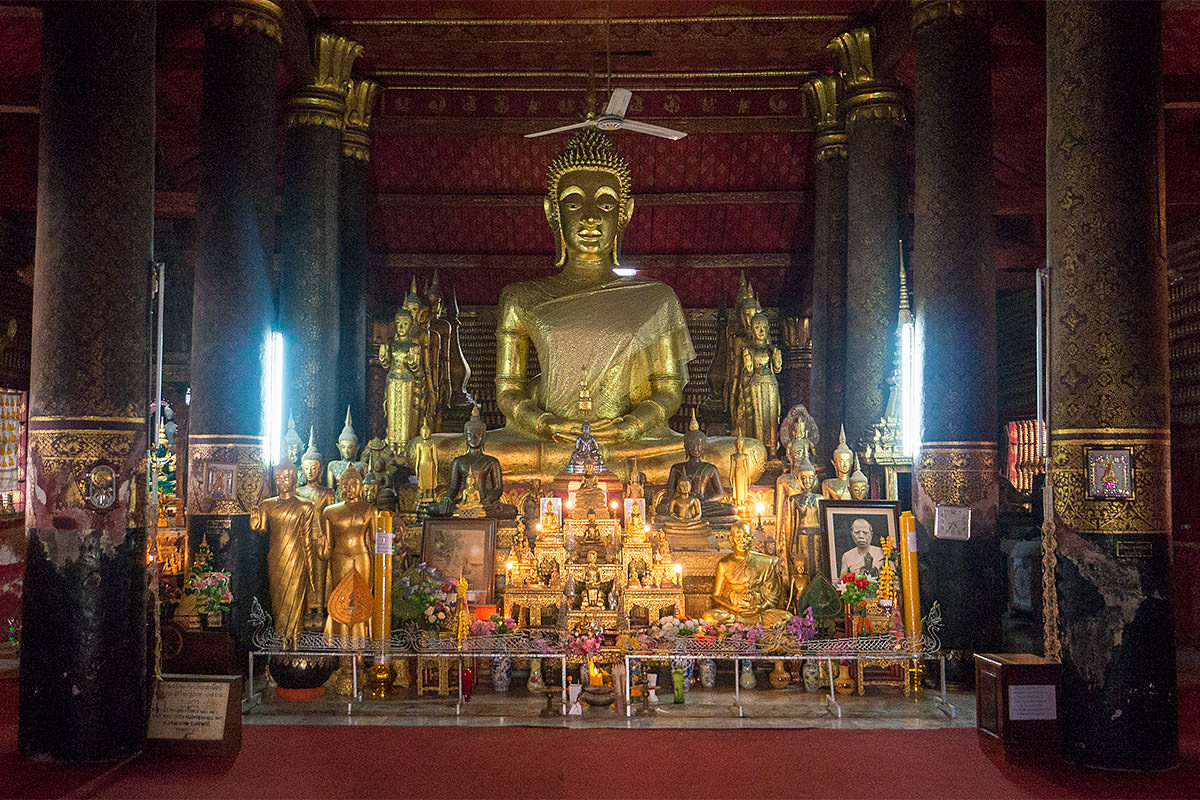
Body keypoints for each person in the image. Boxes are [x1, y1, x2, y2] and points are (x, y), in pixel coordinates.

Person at [427, 130, 764, 483]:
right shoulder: (521, 297)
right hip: (546, 440)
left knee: (746, 453)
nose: (590, 217)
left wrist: (632, 425)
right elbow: (508, 390)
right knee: (430, 451)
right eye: (573, 203)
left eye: (605, 204)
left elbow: (668, 388)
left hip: (628, 441)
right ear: (551, 212)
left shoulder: (655, 297)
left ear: (626, 211)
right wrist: (548, 424)